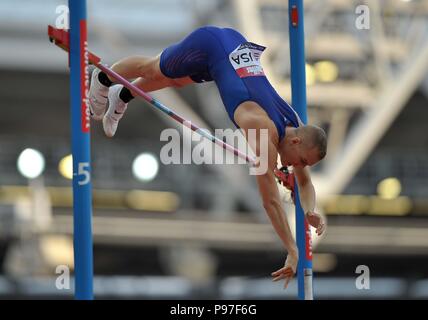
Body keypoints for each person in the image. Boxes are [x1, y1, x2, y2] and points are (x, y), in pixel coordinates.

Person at [89, 25, 327, 289]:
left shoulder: (294, 124)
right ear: (296, 141)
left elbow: (305, 184)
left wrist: (310, 210)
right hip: (213, 44)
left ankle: (121, 97)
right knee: (153, 69)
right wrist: (292, 249)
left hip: (230, 52)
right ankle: (103, 77)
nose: (298, 167)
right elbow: (270, 201)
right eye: (302, 161)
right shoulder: (263, 131)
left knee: (176, 80)